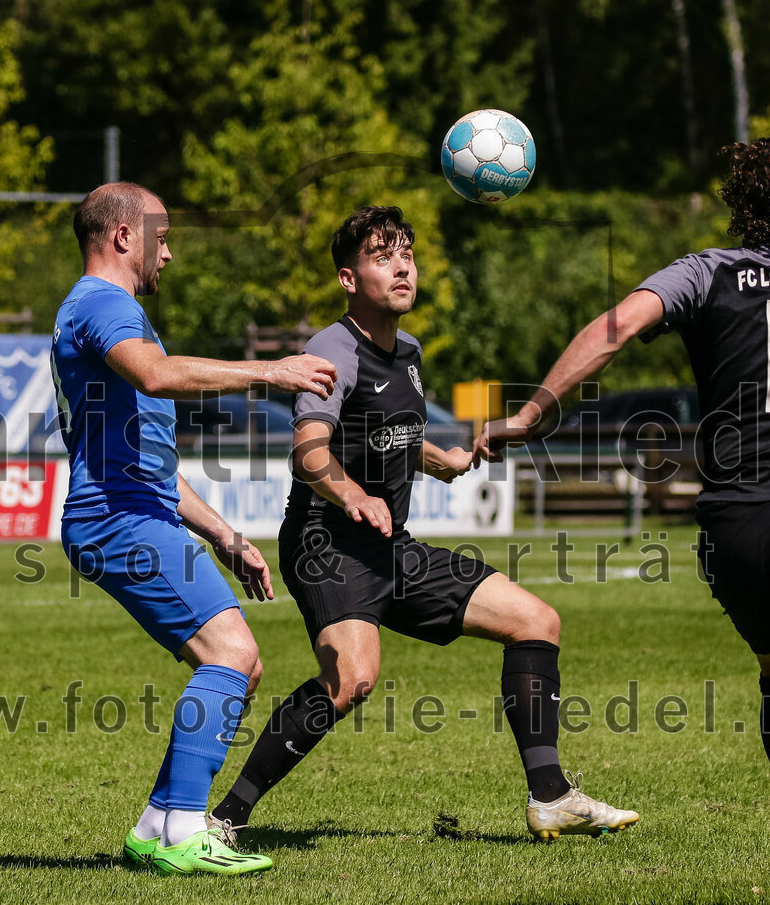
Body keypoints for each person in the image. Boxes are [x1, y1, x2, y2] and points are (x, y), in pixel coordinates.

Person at [474, 136, 770, 905]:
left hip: (736, 524)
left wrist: (531, 413)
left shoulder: (706, 270)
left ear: (739, 201)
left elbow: (617, 328)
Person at [209, 205, 638, 843]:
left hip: (388, 545)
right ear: (349, 279)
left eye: (406, 252)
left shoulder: (406, 350)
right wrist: (353, 494)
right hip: (327, 544)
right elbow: (308, 449)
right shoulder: (333, 349)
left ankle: (551, 796)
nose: (403, 265)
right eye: (383, 256)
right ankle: (225, 819)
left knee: (535, 622)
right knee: (351, 678)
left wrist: (445, 459)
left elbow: (391, 434)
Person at [51, 181, 337, 876]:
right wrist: (269, 371)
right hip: (117, 519)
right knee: (231, 657)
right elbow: (155, 378)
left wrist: (224, 534)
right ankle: (183, 830)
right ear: (124, 235)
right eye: (162, 235)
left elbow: (148, 461)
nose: (169, 252)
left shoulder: (108, 311)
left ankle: (158, 825)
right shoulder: (101, 303)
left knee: (240, 659)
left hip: (132, 510)